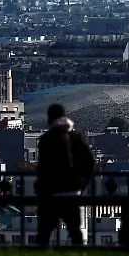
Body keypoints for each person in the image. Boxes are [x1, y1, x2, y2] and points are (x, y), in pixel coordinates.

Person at [34, 104, 95, 247]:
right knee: (75, 231)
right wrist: (81, 182)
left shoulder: (47, 138)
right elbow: (89, 162)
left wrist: (42, 186)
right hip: (72, 192)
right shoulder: (75, 137)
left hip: (51, 193)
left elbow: (43, 166)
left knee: (44, 232)